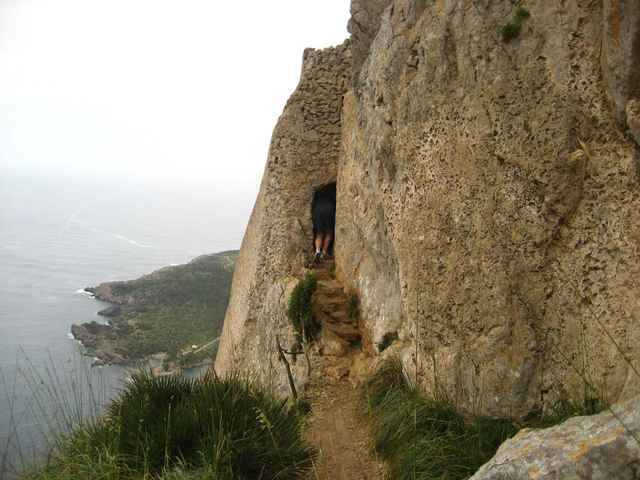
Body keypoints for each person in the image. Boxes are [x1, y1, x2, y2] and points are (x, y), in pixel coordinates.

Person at [311, 184, 336, 262]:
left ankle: (317, 251)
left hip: (318, 209)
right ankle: (324, 252)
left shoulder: (318, 192)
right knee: (329, 232)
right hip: (329, 208)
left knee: (319, 233)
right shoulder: (331, 191)